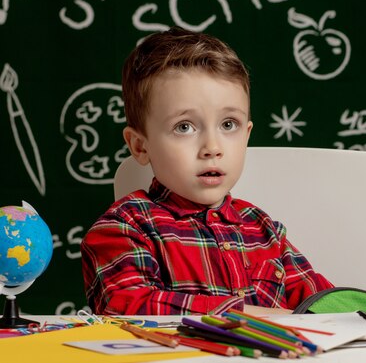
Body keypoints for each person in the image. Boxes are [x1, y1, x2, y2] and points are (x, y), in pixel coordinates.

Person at [81, 27, 333, 315]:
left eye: (229, 125)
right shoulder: (126, 227)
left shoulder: (264, 231)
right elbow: (125, 304)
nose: (212, 147)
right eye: (184, 127)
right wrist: (242, 313)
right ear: (140, 146)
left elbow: (324, 304)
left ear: (247, 136)